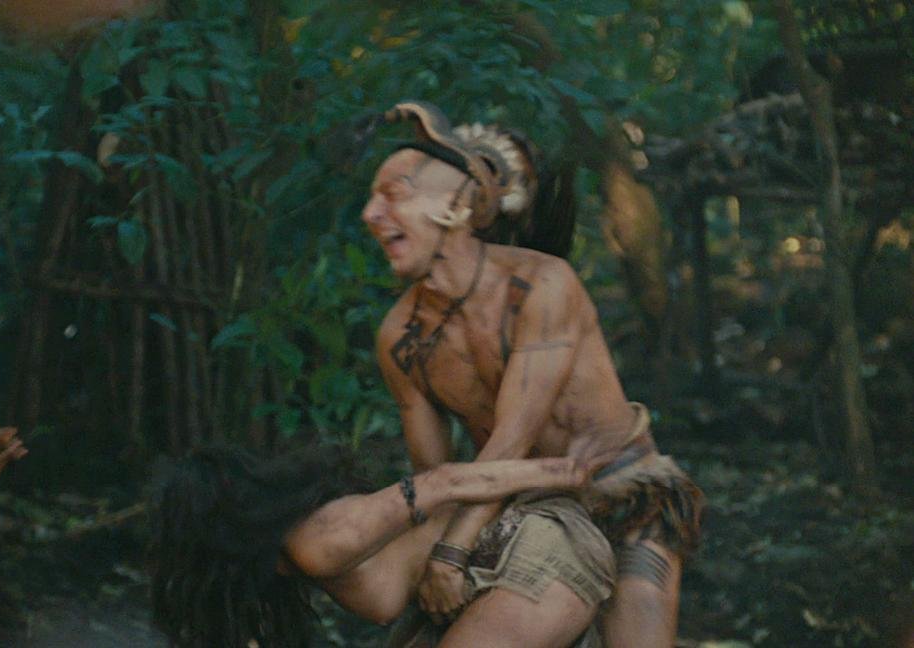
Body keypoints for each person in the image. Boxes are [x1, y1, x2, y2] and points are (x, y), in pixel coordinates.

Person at [361, 101, 705, 647]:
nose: (370, 214)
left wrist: (451, 553)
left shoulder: (544, 286)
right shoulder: (400, 338)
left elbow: (515, 436)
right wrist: (432, 561)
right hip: (511, 509)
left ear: (454, 207)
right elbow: (437, 476)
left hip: (621, 495)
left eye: (393, 196)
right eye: (372, 198)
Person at [149, 444, 616, 648]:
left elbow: (443, 482)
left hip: (530, 553)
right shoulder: (285, 562)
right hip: (493, 580)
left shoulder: (322, 539)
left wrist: (566, 472)